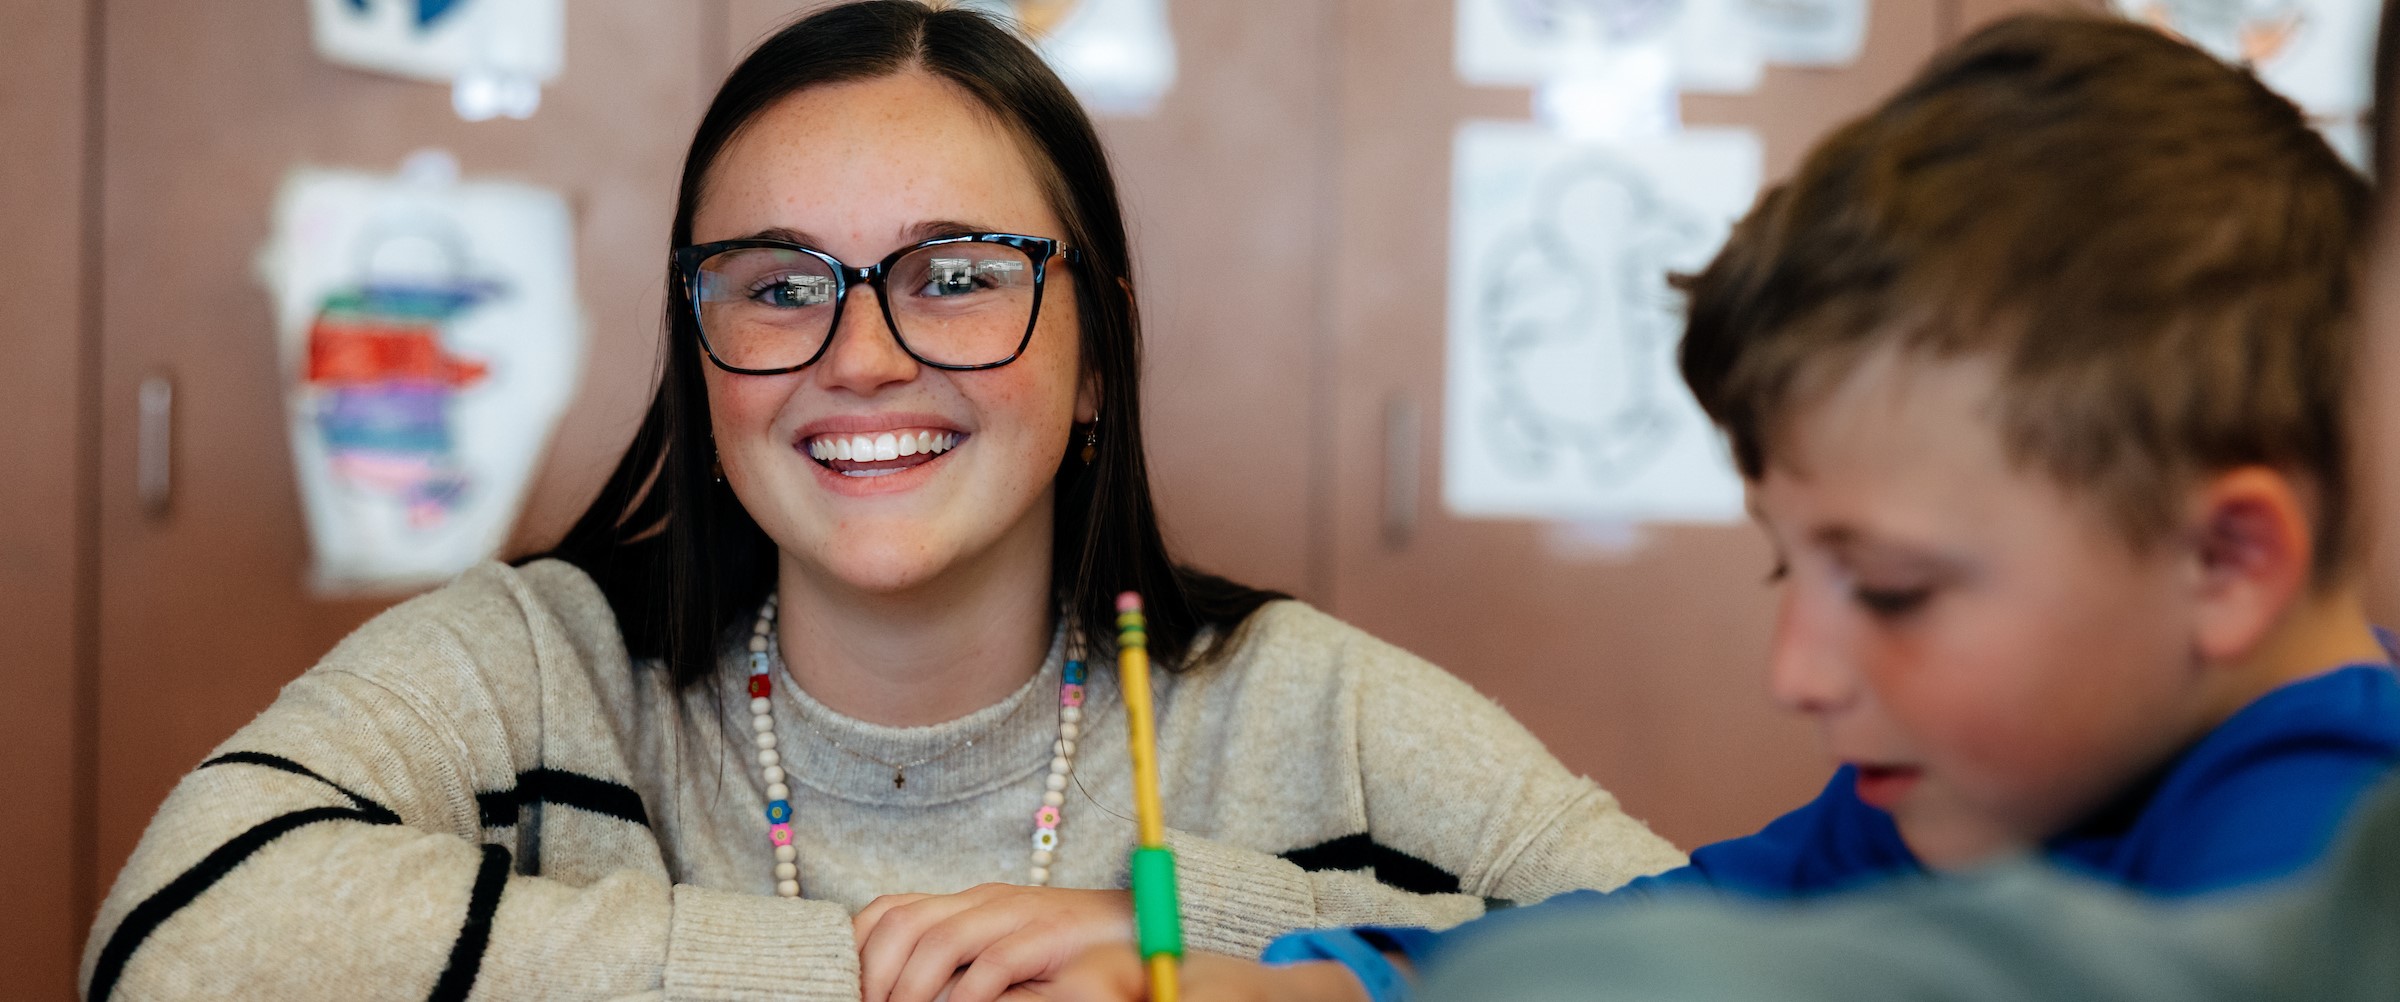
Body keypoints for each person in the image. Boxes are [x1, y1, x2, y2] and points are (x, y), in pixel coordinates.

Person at [78, 4, 1685, 1000]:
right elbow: (176, 943)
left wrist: (1208, 951)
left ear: (1100, 349)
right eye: (778, 287)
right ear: (698, 347)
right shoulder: (535, 664)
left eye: (960, 276)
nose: (859, 355)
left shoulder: (1307, 707)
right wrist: (864, 974)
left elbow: (1725, 965)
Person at [1047, 12, 2400, 1001]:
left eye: (1890, 589)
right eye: (1789, 572)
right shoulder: (1970, 785)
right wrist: (1334, 984)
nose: (1797, 669)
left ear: (2225, 559)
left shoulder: (2321, 872)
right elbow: (1675, 922)